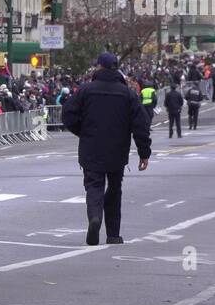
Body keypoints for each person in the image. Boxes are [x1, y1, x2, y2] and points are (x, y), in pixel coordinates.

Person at [61, 53, 151, 246]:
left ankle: (95, 217)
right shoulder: (127, 93)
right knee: (115, 189)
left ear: (99, 67)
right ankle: (113, 234)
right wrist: (144, 153)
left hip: (91, 147)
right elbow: (141, 125)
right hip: (117, 150)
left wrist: (82, 131)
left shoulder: (85, 90)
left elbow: (67, 115)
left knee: (94, 186)